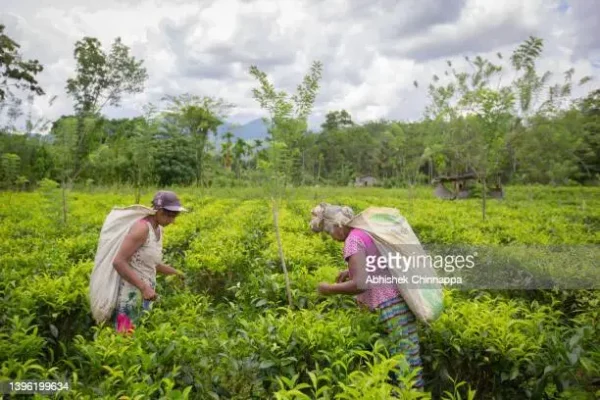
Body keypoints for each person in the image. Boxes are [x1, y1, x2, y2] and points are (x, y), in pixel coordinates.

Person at [309, 203, 425, 391]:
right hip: (401, 299)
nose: (332, 238)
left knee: (402, 364)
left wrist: (328, 288)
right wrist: (350, 271)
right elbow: (376, 261)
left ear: (338, 226)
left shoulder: (352, 240)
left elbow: (360, 284)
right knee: (410, 359)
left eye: (330, 233)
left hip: (390, 306)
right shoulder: (364, 232)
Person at [111, 190, 187, 334]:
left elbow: (153, 265)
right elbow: (119, 261)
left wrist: (176, 273)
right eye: (169, 215)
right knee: (124, 339)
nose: (172, 220)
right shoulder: (142, 228)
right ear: (158, 211)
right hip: (129, 297)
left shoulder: (158, 229)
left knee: (139, 339)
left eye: (174, 216)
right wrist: (143, 287)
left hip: (146, 294)